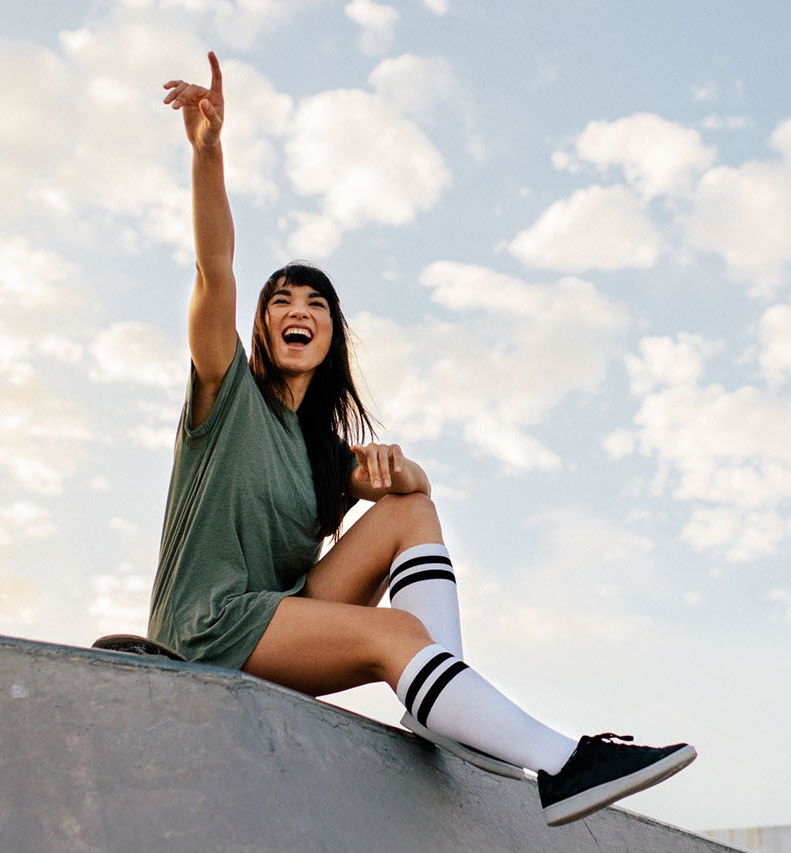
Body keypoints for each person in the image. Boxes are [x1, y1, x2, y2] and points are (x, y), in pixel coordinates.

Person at [149, 50, 695, 828]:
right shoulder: (224, 388)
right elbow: (214, 266)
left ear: (332, 333)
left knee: (413, 513)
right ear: (265, 327)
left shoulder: (322, 457)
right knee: (394, 631)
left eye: (315, 303)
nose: (295, 309)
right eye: (280, 301)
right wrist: (209, 154)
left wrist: (403, 470)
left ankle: (437, 693)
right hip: (206, 627)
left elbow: (416, 497)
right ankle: (563, 762)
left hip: (276, 622)